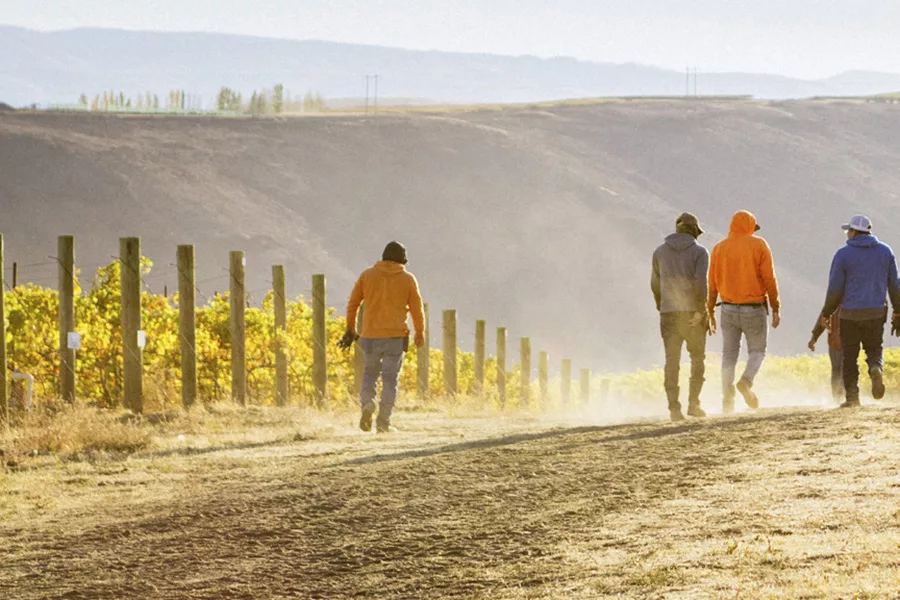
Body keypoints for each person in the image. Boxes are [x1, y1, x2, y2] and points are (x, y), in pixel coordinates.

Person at [816, 215, 900, 408]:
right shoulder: (886, 252)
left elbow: (835, 288)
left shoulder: (843, 254)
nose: (848, 234)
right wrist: (898, 311)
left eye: (848, 231)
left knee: (849, 356)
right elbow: (894, 285)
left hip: (849, 314)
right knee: (874, 349)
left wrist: (827, 313)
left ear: (854, 232)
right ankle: (875, 368)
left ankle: (853, 398)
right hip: (876, 312)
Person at [342, 241, 425, 433]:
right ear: (402, 259)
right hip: (395, 337)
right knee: (390, 380)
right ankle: (383, 423)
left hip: (370, 335)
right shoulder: (408, 279)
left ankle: (367, 404)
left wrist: (351, 328)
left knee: (369, 374)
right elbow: (417, 310)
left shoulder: (367, 275)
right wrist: (419, 332)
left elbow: (353, 303)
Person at [707, 210, 781, 413]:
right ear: (750, 226)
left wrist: (710, 310)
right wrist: (775, 307)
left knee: (729, 355)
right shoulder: (759, 245)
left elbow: (712, 283)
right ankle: (746, 382)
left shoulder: (719, 248)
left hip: (727, 309)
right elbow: (769, 279)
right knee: (757, 351)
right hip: (754, 309)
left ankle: (727, 401)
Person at [651, 212, 710, 422]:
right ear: (694, 231)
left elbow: (655, 286)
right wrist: (700, 311)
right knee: (697, 358)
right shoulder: (700, 252)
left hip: (668, 313)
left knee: (671, 360)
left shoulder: (659, 252)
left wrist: (663, 307)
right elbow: (701, 283)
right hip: (692, 314)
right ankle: (694, 404)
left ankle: (674, 409)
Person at [808, 307, 844, 403]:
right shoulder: (854, 299)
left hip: (834, 341)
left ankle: (838, 398)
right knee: (845, 368)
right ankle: (844, 396)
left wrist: (814, 338)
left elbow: (822, 318)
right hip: (846, 341)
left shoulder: (832, 302)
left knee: (837, 369)